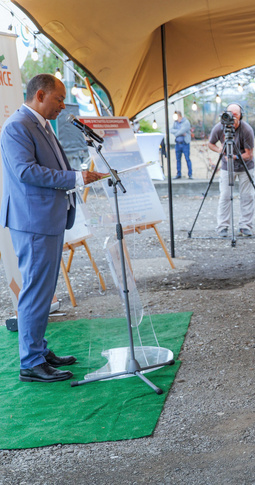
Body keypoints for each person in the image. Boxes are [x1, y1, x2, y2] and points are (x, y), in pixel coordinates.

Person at [1, 74, 106, 383]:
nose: (63, 105)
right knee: (36, 290)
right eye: (59, 99)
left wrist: (77, 174)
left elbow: (54, 166)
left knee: (43, 288)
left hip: (46, 218)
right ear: (41, 95)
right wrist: (76, 179)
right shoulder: (16, 127)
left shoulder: (41, 125)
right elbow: (26, 171)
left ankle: (38, 349)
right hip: (32, 221)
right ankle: (31, 362)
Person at [208, 103, 255, 237]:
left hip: (245, 166)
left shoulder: (247, 130)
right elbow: (211, 144)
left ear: (241, 116)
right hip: (226, 167)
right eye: (230, 114)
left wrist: (233, 157)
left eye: (235, 115)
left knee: (247, 196)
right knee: (225, 196)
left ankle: (245, 226)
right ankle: (222, 227)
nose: (232, 118)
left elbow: (249, 154)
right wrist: (221, 151)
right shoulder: (219, 127)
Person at [170, 110, 192, 179]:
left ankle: (190, 174)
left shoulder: (186, 122)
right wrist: (179, 132)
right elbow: (171, 130)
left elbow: (183, 130)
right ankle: (178, 174)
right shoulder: (175, 123)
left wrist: (177, 133)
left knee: (187, 158)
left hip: (185, 143)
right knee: (178, 159)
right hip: (178, 143)